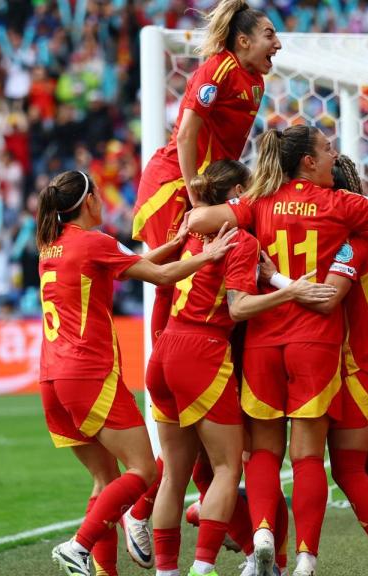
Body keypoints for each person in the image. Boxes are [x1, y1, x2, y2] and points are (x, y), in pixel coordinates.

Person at [188, 127, 368, 576]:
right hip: (316, 344)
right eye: (326, 147)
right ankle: (308, 560)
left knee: (262, 454)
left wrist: (242, 219)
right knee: (311, 458)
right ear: (308, 162)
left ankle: (260, 536)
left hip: (263, 341)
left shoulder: (259, 203)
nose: (332, 151)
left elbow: (198, 221)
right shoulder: (341, 208)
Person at [127, 0, 282, 562]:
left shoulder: (254, 83)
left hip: (205, 188)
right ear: (241, 41)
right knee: (183, 276)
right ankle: (150, 509)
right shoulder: (218, 69)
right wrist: (196, 195)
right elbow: (189, 128)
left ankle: (155, 509)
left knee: (204, 277)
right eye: (269, 35)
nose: (277, 45)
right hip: (175, 185)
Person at [37, 170, 238, 576]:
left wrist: (178, 244)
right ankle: (79, 546)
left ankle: (104, 571)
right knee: (143, 470)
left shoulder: (50, 247)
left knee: (106, 480)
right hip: (87, 374)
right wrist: (207, 256)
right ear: (89, 200)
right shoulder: (94, 242)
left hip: (50, 378)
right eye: (97, 194)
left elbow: (135, 263)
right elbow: (160, 276)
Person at [147, 160, 335, 576]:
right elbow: (239, 306)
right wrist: (291, 291)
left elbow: (157, 277)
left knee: (173, 475)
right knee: (230, 468)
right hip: (202, 351)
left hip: (163, 351)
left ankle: (166, 570)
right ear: (234, 195)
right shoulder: (242, 240)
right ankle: (203, 566)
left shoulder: (188, 230)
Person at [261, 155, 368, 576]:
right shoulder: (367, 241)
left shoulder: (348, 245)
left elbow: (329, 297)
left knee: (348, 469)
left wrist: (275, 279)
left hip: (364, 367)